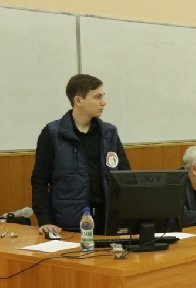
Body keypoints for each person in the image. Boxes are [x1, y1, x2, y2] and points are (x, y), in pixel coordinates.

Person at [31, 74, 131, 235]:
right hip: (68, 225)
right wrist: (45, 220)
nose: (103, 102)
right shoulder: (52, 134)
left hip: (108, 223)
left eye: (103, 96)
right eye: (97, 97)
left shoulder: (109, 132)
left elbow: (126, 176)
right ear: (78, 100)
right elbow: (39, 180)